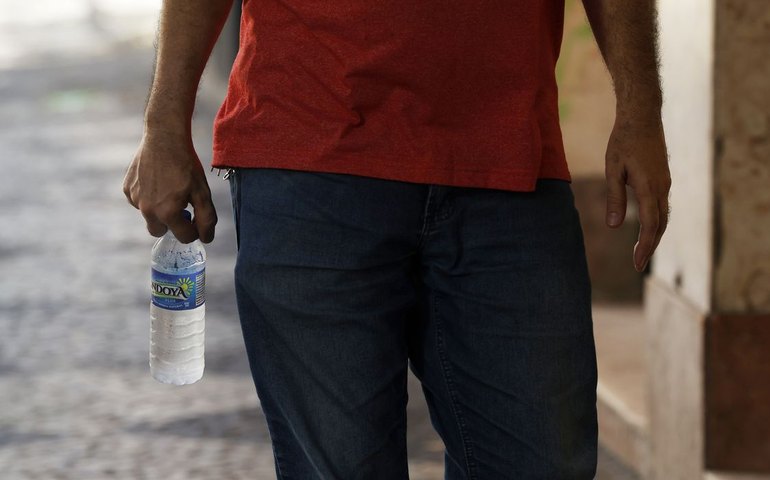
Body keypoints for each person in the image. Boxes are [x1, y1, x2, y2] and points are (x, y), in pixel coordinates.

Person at [123, 0, 671, 478]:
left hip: (507, 160)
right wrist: (164, 124)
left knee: (542, 463)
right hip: (309, 158)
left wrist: (642, 109)